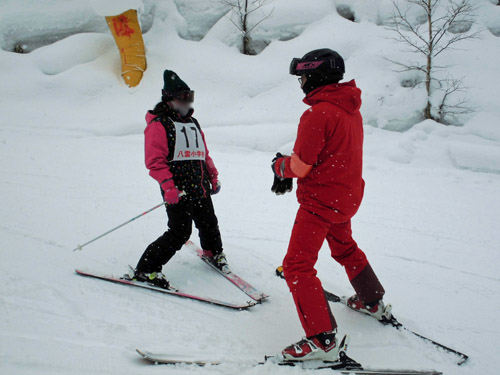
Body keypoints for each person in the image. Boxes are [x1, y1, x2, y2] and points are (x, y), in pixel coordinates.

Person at [271, 49, 391, 362]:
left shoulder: (318, 113)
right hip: (345, 197)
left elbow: (302, 166)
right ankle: (372, 301)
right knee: (344, 248)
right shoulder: (349, 107)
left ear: (317, 75)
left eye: (304, 76)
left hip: (320, 201)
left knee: (297, 265)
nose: (302, 83)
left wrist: (280, 167)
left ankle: (322, 341)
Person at [134, 70, 227, 289]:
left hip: (199, 183)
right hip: (177, 188)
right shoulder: (159, 125)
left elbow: (202, 152)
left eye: (189, 97)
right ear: (169, 99)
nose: (187, 102)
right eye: (182, 97)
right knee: (180, 231)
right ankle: (146, 269)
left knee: (208, 222)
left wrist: (212, 175)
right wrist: (168, 187)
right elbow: (155, 161)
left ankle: (214, 253)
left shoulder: (193, 122)